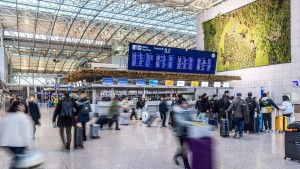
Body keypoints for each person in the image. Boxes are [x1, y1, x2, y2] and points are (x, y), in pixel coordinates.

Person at [0, 101, 33, 167]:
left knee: (17, 159)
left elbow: (2, 130)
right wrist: (28, 143)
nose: (24, 107)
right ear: (18, 107)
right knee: (20, 161)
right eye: (22, 105)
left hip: (8, 144)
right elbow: (26, 132)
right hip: (19, 144)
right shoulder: (23, 117)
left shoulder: (7, 117)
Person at [172, 100, 192, 169]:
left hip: (187, 132)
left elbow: (191, 119)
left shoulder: (187, 110)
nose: (185, 104)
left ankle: (176, 156)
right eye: (184, 103)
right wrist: (189, 123)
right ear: (180, 104)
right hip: (180, 133)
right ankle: (187, 165)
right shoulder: (177, 111)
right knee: (184, 149)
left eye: (186, 103)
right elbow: (179, 121)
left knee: (183, 148)